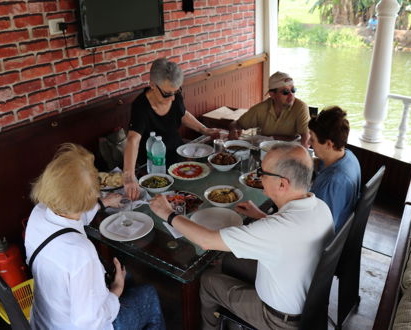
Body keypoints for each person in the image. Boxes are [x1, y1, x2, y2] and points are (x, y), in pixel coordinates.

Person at [150, 143, 334, 330]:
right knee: (229, 259)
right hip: (309, 303)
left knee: (207, 280)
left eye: (263, 172)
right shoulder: (321, 207)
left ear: (282, 183)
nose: (258, 176)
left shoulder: (274, 230)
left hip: (278, 320)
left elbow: (206, 241)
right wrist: (262, 217)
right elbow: (289, 236)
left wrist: (168, 214)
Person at [25, 143, 165, 330]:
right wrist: (116, 290)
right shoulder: (81, 253)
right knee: (148, 294)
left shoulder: (39, 213)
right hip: (79, 325)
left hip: (46, 320)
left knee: (127, 274)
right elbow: (90, 322)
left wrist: (102, 202)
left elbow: (72, 217)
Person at [123, 58, 219, 200]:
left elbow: (182, 113)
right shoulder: (140, 106)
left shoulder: (174, 94)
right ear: (152, 85)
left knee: (192, 195)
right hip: (153, 164)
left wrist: (205, 130)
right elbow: (133, 139)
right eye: (168, 94)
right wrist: (129, 176)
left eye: (177, 91)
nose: (173, 98)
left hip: (177, 155)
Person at [308, 106, 361, 232]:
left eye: (313, 139)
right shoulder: (348, 157)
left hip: (323, 240)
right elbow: (320, 165)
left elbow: (317, 231)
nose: (309, 143)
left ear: (328, 144)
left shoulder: (331, 183)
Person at [229, 71, 310, 147]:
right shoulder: (260, 109)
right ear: (272, 94)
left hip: (290, 148)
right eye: (285, 92)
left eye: (293, 90)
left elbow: (306, 139)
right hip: (265, 147)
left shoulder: (300, 107)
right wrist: (234, 130)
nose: (291, 95)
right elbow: (236, 124)